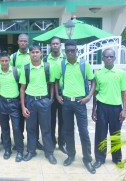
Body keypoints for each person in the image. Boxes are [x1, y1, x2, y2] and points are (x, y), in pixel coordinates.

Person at [55, 40, 96, 174]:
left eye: (73, 50)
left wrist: (89, 96)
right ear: (65, 51)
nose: (70, 53)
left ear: (77, 50)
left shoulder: (84, 64)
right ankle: (71, 155)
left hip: (80, 103)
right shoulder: (62, 64)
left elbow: (93, 81)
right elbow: (56, 80)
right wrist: (57, 95)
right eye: (68, 51)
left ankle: (87, 159)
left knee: (83, 131)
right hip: (66, 103)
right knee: (68, 130)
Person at [92, 48, 126, 169]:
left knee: (115, 135)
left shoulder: (121, 73)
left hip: (116, 108)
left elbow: (124, 92)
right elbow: (95, 93)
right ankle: (99, 159)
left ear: (114, 58)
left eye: (111, 56)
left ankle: (117, 158)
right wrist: (94, 109)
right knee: (100, 135)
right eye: (106, 57)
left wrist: (124, 110)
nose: (109, 59)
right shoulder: (98, 74)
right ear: (102, 58)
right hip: (102, 107)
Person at [20, 45, 57, 164]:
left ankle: (49, 152)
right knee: (30, 128)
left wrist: (50, 99)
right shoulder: (25, 68)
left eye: (37, 52)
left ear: (41, 53)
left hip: (43, 101)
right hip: (30, 101)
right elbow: (22, 89)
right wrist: (23, 106)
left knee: (46, 129)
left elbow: (52, 83)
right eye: (32, 52)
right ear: (29, 54)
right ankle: (31, 151)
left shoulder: (47, 67)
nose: (34, 54)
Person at [10, 34, 44, 151]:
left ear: (28, 42)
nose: (23, 43)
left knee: (34, 120)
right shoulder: (13, 57)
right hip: (18, 90)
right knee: (19, 120)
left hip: (32, 92)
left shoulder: (33, 55)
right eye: (21, 41)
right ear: (18, 42)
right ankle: (19, 141)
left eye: (25, 41)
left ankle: (35, 141)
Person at [0, 51, 24, 162]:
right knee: (4, 128)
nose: (4, 63)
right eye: (2, 61)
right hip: (2, 103)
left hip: (14, 103)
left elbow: (22, 87)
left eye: (6, 61)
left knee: (17, 128)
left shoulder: (17, 71)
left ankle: (20, 151)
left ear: (9, 61)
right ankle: (7, 150)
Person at [44, 37, 67, 154]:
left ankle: (62, 143)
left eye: (57, 43)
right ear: (50, 46)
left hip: (64, 93)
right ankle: (52, 142)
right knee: (50, 120)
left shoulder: (66, 58)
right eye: (53, 44)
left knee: (63, 120)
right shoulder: (45, 59)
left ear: (60, 45)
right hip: (48, 93)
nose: (55, 45)